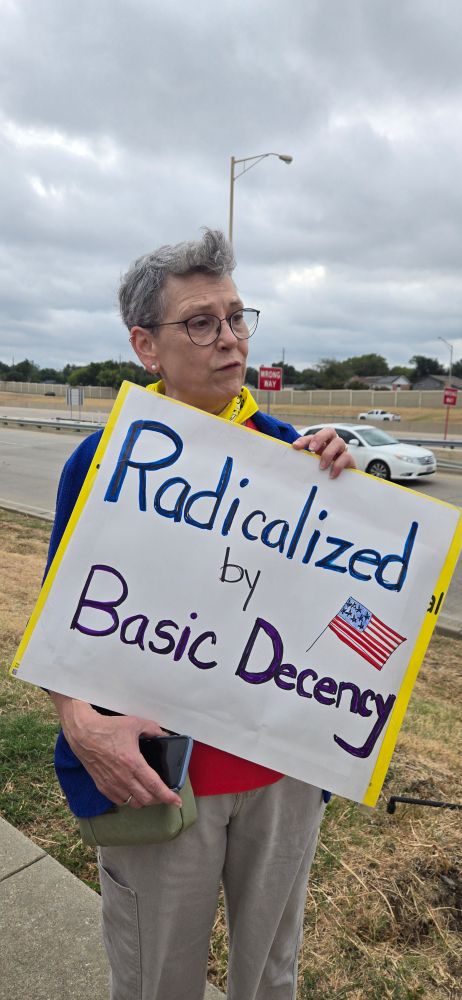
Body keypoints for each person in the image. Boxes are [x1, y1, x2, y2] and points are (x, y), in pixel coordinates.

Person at [46, 229, 355, 1000]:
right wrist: (80, 724)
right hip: (161, 786)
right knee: (158, 979)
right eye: (202, 322)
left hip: (282, 778)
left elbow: (336, 614)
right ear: (145, 346)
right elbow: (58, 628)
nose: (230, 338)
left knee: (269, 979)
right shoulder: (104, 459)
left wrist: (345, 492)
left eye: (237, 316)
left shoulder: (295, 458)